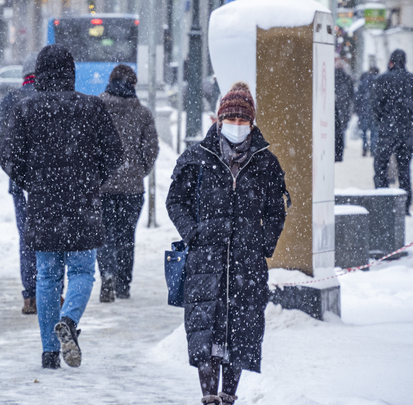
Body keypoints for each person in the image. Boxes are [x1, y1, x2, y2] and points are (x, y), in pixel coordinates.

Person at [0, 44, 123, 369]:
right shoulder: (92, 107)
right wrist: (92, 175)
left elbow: (10, 155)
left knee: (48, 277)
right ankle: (68, 320)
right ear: (71, 72)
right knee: (82, 270)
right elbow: (115, 153)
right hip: (83, 201)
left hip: (42, 203)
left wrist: (32, 180)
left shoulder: (26, 109)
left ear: (39, 73)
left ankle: (48, 351)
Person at [166, 82, 287, 405]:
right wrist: (193, 233)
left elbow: (277, 208)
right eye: (230, 119)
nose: (236, 126)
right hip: (206, 261)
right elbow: (175, 201)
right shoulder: (196, 158)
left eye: (242, 120)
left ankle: (229, 397)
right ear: (218, 120)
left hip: (247, 263)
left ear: (252, 123)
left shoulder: (265, 163)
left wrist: (264, 242)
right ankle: (208, 397)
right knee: (206, 332)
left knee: (241, 333)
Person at [96, 64, 159, 302]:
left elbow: (90, 144)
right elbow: (151, 148)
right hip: (131, 187)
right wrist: (140, 170)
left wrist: (97, 172)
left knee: (104, 235)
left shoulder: (97, 108)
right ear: (133, 85)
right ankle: (123, 285)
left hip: (102, 186)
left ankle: (107, 275)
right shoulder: (142, 113)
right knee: (126, 236)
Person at [0, 52, 40, 314]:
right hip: (53, 184)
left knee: (27, 238)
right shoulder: (53, 98)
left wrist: (16, 173)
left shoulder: (12, 100)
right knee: (56, 238)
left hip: (21, 186)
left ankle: (30, 296)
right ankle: (54, 293)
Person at [372, 49, 413, 214]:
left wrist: (383, 122)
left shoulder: (382, 80)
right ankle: (405, 206)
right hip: (406, 131)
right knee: (404, 170)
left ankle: (384, 204)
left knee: (381, 169)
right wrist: (411, 123)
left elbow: (375, 106)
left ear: (391, 61)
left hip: (387, 131)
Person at [354, 66, 379, 156]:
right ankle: (373, 149)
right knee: (374, 131)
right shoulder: (378, 82)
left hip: (363, 109)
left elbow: (357, 96)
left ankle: (364, 147)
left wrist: (357, 108)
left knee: (364, 131)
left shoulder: (363, 82)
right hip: (374, 110)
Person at [334, 59, 354, 162]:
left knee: (335, 129)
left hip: (334, 107)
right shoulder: (347, 78)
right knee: (342, 129)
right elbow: (351, 94)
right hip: (344, 107)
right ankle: (341, 147)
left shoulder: (332, 77)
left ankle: (336, 149)